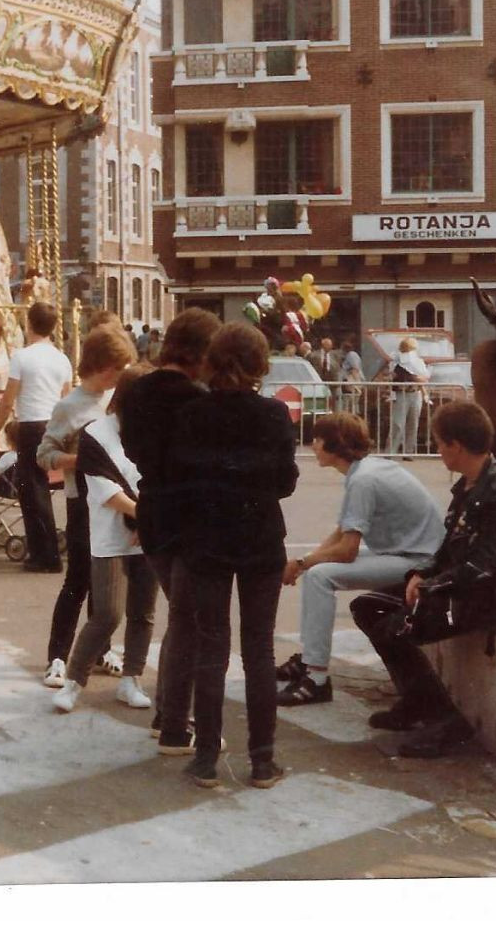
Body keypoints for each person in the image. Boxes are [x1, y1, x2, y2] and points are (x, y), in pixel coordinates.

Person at [350, 402, 496, 757]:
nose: (437, 451)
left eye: (439, 443)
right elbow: (449, 548)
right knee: (367, 607)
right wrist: (421, 574)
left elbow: (484, 569)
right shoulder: (471, 486)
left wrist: (428, 588)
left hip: (491, 595)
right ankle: (417, 701)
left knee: (399, 625)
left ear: (457, 446)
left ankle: (445, 721)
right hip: (462, 585)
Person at [167, 323, 299, 787]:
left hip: (207, 539)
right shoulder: (274, 414)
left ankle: (206, 757)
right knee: (259, 649)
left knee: (212, 647)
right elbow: (285, 482)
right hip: (260, 538)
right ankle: (262, 760)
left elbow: (179, 479)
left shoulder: (191, 414)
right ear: (260, 364)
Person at [274, 413, 444, 706]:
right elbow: (342, 531)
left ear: (333, 444)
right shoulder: (369, 469)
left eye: (316, 439)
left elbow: (347, 551)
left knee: (320, 576)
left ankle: (316, 678)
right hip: (407, 551)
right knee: (317, 572)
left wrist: (303, 565)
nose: (312, 445)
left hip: (419, 562)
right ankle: (309, 659)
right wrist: (304, 561)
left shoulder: (363, 480)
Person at [117, 307, 220, 748]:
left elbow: (130, 447)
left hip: (152, 510)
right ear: (202, 352)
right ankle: (174, 722)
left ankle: (171, 714)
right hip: (191, 517)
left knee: (181, 617)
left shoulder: (136, 392)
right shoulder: (197, 401)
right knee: (188, 622)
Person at [52, 362, 158, 713]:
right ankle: (73, 681)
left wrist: (151, 521)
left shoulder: (156, 433)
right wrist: (145, 515)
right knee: (108, 614)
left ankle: (131, 680)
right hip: (110, 537)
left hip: (148, 535)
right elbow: (105, 492)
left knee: (143, 613)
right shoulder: (96, 433)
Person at [36, 325, 136, 686]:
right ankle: (58, 657)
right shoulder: (69, 406)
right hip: (82, 502)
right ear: (104, 367)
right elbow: (44, 454)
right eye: (119, 368)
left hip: (113, 501)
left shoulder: (115, 402)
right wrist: (79, 460)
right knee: (78, 579)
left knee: (106, 581)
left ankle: (100, 650)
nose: (121, 376)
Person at [0, 301, 72, 573]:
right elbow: (66, 399)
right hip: (54, 424)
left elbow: (8, 399)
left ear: (29, 324)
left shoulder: (22, 357)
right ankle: (47, 550)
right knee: (40, 488)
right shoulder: (62, 359)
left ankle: (44, 554)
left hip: (31, 424)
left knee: (31, 490)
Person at [388, 336, 429, 458]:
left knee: (413, 423)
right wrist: (415, 378)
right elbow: (397, 375)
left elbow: (424, 377)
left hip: (415, 393)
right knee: (398, 423)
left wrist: (417, 379)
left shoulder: (418, 361)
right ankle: (390, 451)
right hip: (402, 394)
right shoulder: (397, 362)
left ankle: (409, 451)